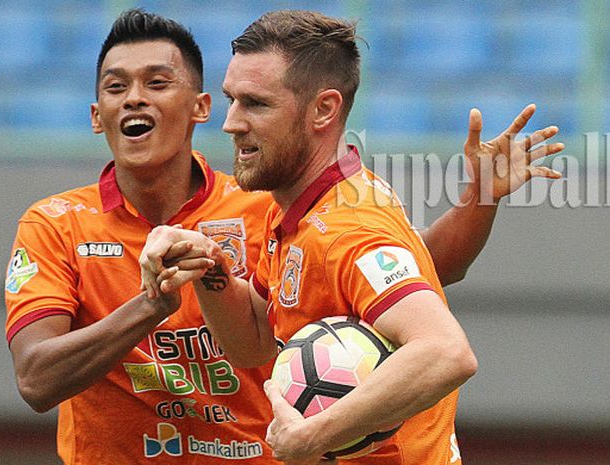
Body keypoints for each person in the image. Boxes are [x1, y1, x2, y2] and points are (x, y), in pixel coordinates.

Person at [139, 10, 564, 465]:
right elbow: (255, 340)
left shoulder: (348, 228)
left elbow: (446, 352)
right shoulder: (299, 203)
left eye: (256, 104)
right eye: (232, 100)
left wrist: (312, 436)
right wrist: (211, 269)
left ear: (324, 109)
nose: (231, 122)